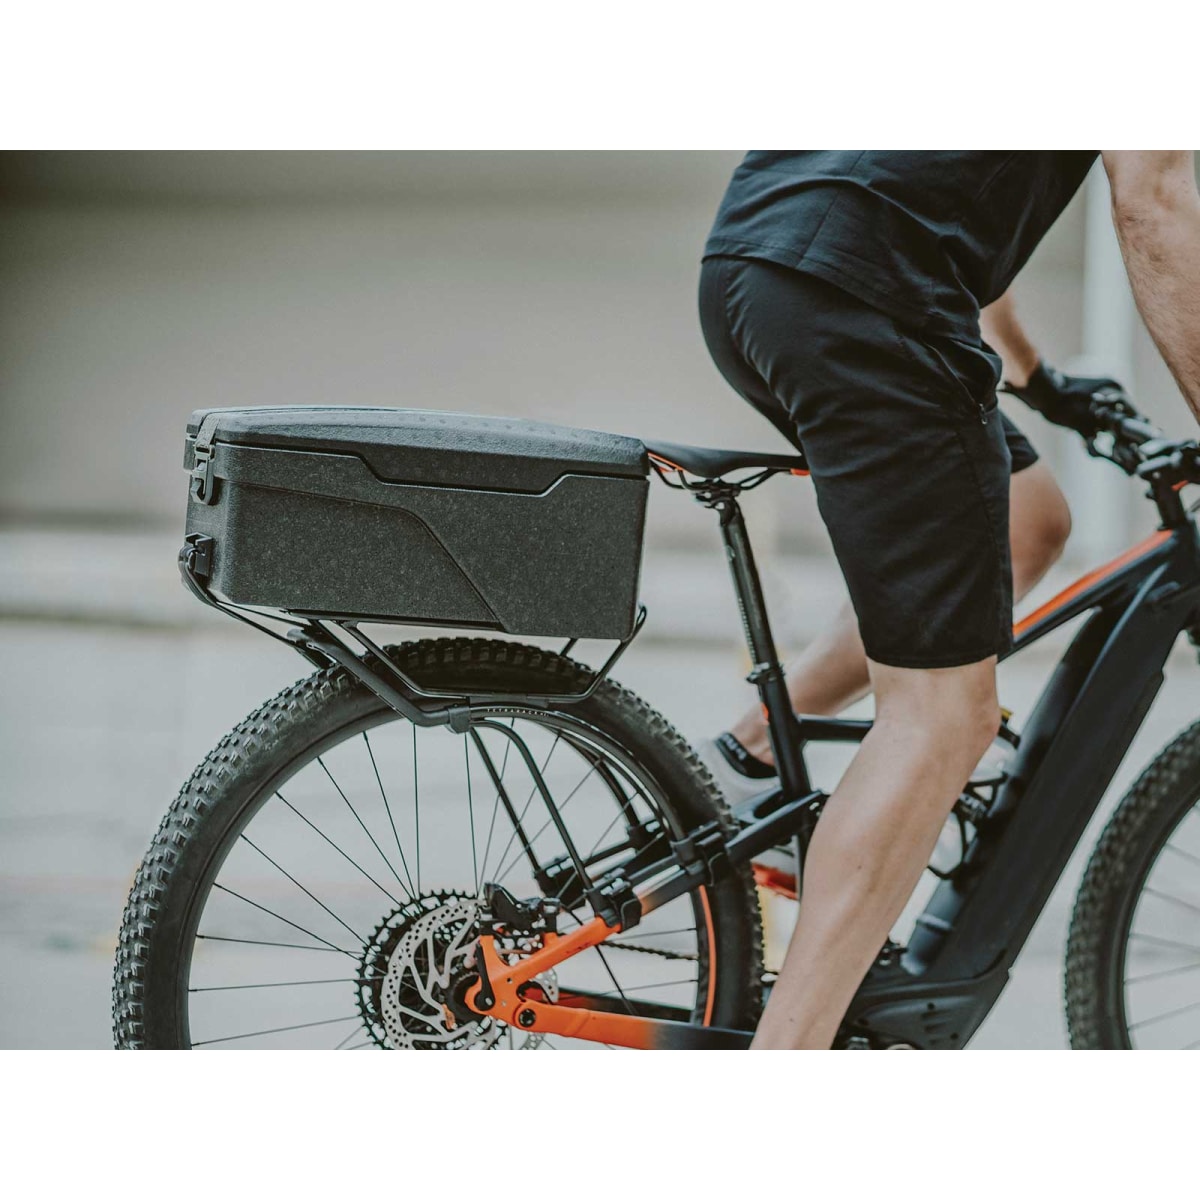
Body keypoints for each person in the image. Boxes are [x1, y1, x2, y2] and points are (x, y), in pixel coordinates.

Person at [694, 151, 1200, 1050]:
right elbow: (1153, 197)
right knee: (940, 719)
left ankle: (751, 757)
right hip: (864, 295)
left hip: (759, 267)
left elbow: (936, 191)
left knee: (1029, 519)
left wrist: (1040, 381)